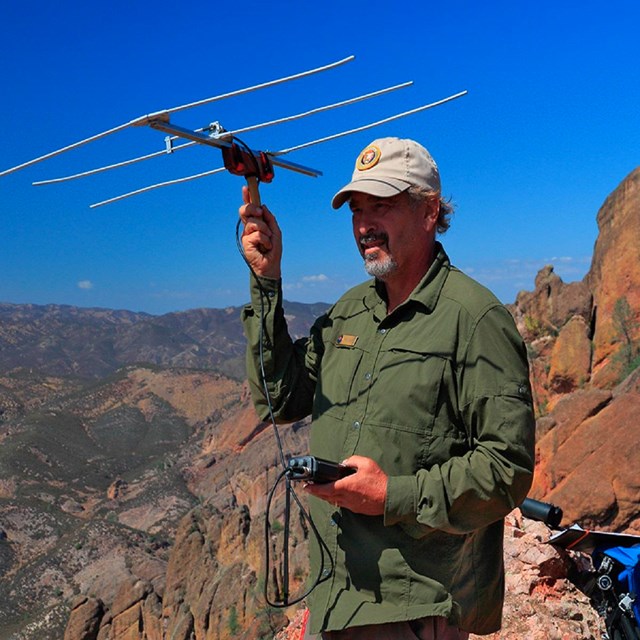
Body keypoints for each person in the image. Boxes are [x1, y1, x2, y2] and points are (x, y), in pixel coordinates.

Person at [239, 137, 535, 639]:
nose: (363, 225)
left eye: (382, 206)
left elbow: (507, 468)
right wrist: (267, 279)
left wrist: (391, 495)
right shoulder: (350, 310)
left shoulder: (475, 318)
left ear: (428, 211)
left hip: (413, 608)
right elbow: (283, 398)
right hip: (335, 594)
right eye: (357, 210)